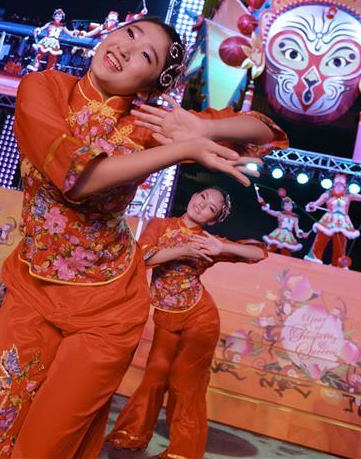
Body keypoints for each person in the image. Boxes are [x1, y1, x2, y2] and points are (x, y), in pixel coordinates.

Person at [0, 17, 287, 458]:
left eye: (146, 56)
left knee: (47, 442)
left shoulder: (149, 121)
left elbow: (269, 131)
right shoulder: (45, 88)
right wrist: (183, 148)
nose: (127, 50)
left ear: (150, 85)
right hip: (34, 288)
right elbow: (78, 178)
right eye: (130, 34)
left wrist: (203, 129)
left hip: (109, 309)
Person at [106, 187, 266, 459]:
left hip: (199, 318)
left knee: (184, 383)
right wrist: (183, 249)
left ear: (213, 219)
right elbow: (142, 257)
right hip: (167, 316)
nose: (203, 205)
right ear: (193, 196)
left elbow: (258, 253)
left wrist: (222, 246)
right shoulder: (161, 225)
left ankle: (183, 452)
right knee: (155, 375)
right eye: (202, 196)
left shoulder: (208, 241)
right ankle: (132, 433)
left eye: (212, 208)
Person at [304, 174, 361, 265]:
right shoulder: (327, 194)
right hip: (328, 220)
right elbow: (317, 203)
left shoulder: (349, 195)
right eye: (337, 180)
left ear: (345, 184)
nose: (339, 182)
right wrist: (312, 206)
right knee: (320, 240)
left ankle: (338, 264)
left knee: (340, 245)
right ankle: (314, 258)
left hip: (343, 222)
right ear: (333, 183)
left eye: (342, 181)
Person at [256, 187, 307, 254]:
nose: (288, 206)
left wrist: (302, 234)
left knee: (286, 252)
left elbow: (297, 230)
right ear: (283, 207)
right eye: (286, 205)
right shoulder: (280, 214)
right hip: (278, 234)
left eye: (289, 205)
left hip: (288, 236)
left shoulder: (295, 218)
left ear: (292, 206)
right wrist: (263, 202)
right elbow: (269, 211)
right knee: (270, 249)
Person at [29, 8, 78, 72]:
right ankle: (34, 67)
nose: (58, 17)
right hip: (47, 40)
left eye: (60, 16)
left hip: (55, 42)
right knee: (40, 54)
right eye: (57, 16)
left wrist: (74, 33)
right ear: (54, 16)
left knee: (53, 58)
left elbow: (70, 34)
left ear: (62, 18)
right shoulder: (50, 24)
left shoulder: (62, 26)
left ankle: (49, 71)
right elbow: (42, 28)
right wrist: (38, 30)